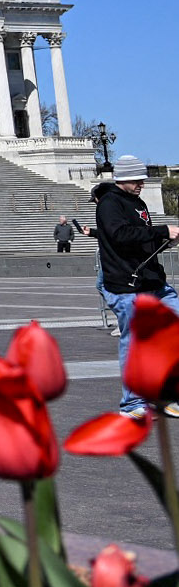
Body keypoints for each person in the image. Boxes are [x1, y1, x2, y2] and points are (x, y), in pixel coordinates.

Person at [97, 155, 179, 422]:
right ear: (122, 178)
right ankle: (132, 403)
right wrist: (160, 230)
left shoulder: (137, 202)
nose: (142, 183)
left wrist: (163, 242)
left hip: (153, 282)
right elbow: (119, 236)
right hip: (126, 285)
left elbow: (140, 240)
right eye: (136, 179)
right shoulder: (110, 203)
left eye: (142, 178)